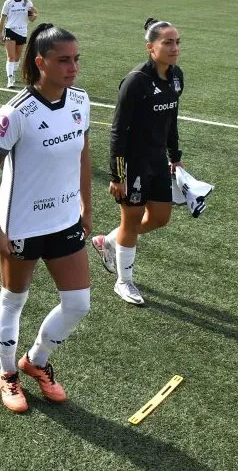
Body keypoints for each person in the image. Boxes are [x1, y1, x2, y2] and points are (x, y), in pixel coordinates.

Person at [0, 23, 92, 413]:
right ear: (40, 62)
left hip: (65, 221)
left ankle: (36, 362)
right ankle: (8, 374)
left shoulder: (80, 101)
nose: (73, 67)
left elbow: (83, 155)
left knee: (78, 304)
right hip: (21, 226)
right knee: (13, 300)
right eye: (63, 60)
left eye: (76, 59)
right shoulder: (16, 113)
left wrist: (86, 208)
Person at [90, 18, 184, 306]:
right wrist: (116, 176)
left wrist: (175, 157)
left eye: (177, 42)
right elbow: (118, 130)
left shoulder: (176, 76)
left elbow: (171, 120)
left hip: (157, 161)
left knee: (160, 218)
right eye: (167, 42)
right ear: (150, 47)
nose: (174, 48)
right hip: (133, 163)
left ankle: (108, 241)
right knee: (130, 221)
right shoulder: (136, 81)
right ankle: (124, 281)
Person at [0, 0, 38, 88]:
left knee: (17, 58)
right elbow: (2, 19)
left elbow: (31, 19)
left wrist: (34, 15)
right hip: (10, 31)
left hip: (22, 32)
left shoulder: (28, 2)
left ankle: (13, 73)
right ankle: (10, 78)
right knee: (10, 57)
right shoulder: (8, 3)